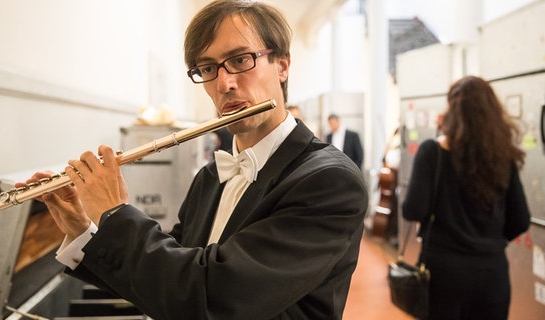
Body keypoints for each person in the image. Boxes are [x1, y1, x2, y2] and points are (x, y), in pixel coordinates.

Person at [18, 1, 368, 319]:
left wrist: (115, 215)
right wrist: (82, 229)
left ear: (282, 66)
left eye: (241, 59)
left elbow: (216, 298)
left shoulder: (329, 182)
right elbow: (166, 286)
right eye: (208, 68)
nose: (224, 83)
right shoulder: (210, 176)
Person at [402, 75, 531, 320]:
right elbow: (521, 220)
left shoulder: (433, 152)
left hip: (443, 272)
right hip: (492, 273)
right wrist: (490, 242)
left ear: (452, 111)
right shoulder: (504, 158)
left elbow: (413, 210)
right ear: (492, 114)